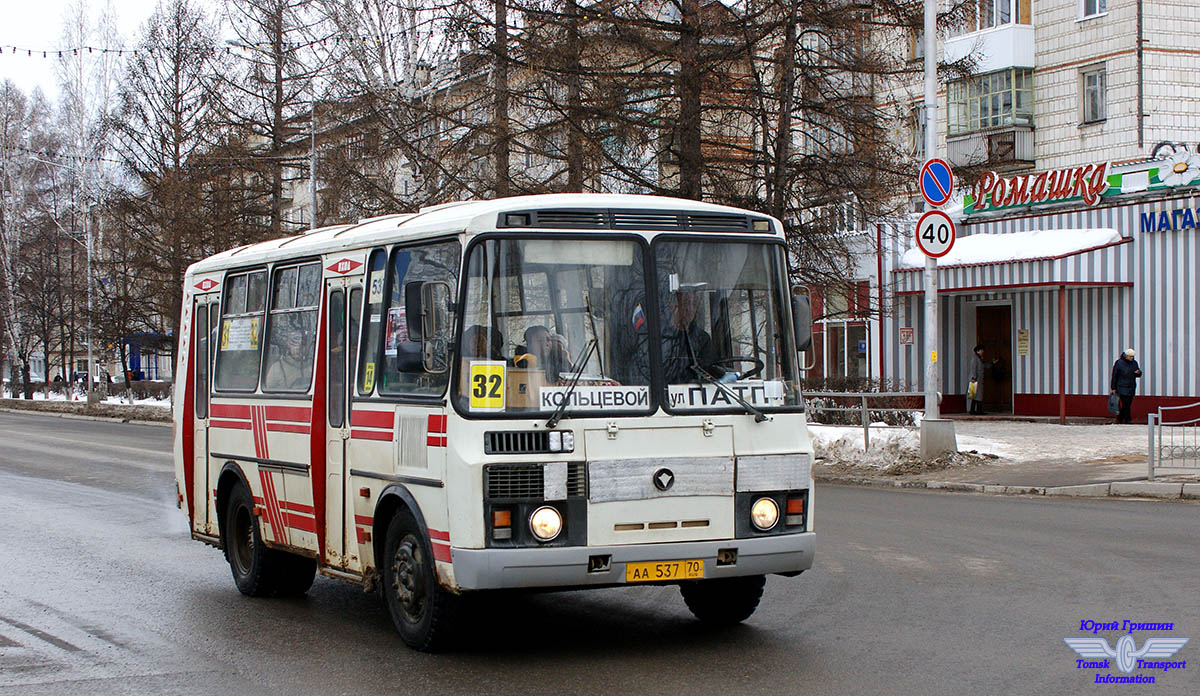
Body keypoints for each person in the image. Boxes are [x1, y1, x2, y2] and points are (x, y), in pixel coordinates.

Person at [660, 290, 725, 384]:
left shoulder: (702, 339)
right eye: (685, 303)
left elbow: (711, 370)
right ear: (672, 306)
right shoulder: (660, 338)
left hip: (697, 394)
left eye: (693, 304)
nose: (689, 309)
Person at [1110, 348, 1142, 424]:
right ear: (1126, 356)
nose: (1132, 358)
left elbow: (1138, 373)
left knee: (1128, 404)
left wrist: (1138, 373)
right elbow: (1115, 375)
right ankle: (1128, 419)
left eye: (1133, 356)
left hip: (1131, 386)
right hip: (1121, 386)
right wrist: (1113, 387)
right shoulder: (1119, 363)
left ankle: (1120, 418)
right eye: (1130, 356)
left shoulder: (1134, 363)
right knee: (1126, 404)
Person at [966, 343, 999, 415]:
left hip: (978, 379)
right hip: (975, 379)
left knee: (976, 395)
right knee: (976, 395)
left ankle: (974, 410)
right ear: (978, 351)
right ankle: (978, 410)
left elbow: (985, 365)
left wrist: (992, 363)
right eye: (981, 350)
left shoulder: (979, 358)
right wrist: (973, 378)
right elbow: (973, 369)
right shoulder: (975, 359)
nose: (983, 351)